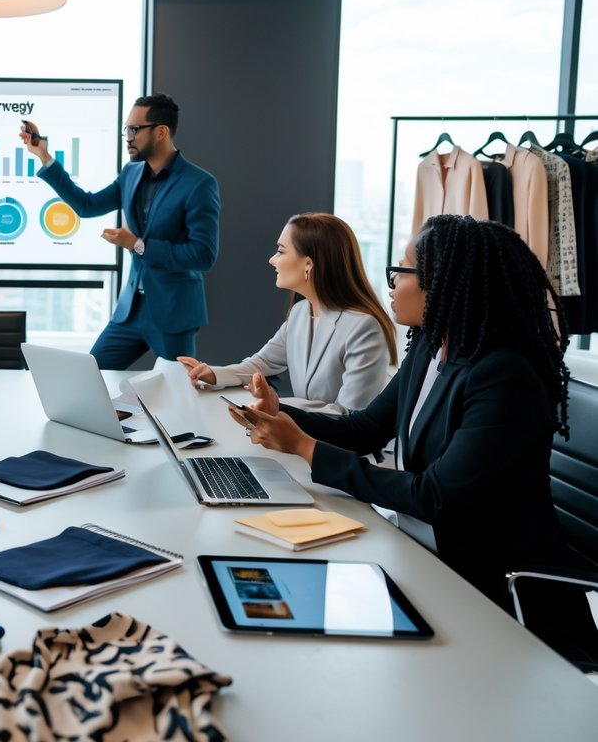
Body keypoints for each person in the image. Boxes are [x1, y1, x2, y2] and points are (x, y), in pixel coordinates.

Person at [227, 214, 576, 607]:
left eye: (402, 271)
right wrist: (285, 417)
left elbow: (433, 497)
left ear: (440, 283)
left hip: (488, 586)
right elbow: (366, 429)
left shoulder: (503, 377)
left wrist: (304, 447)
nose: (390, 283)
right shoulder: (430, 347)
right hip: (420, 555)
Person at [21, 93, 219, 369]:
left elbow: (203, 255)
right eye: (127, 129)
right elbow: (86, 205)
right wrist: (43, 156)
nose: (128, 137)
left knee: (181, 393)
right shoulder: (131, 173)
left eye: (135, 130)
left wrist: (138, 245)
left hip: (173, 313)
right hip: (130, 312)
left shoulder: (199, 184)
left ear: (161, 131)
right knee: (89, 376)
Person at [177, 212, 396, 413]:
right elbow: (261, 364)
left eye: (281, 251)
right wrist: (214, 374)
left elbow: (349, 414)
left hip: (339, 450)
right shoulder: (301, 312)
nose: (272, 259)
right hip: (306, 438)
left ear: (308, 264)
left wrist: (278, 407)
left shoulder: (363, 328)